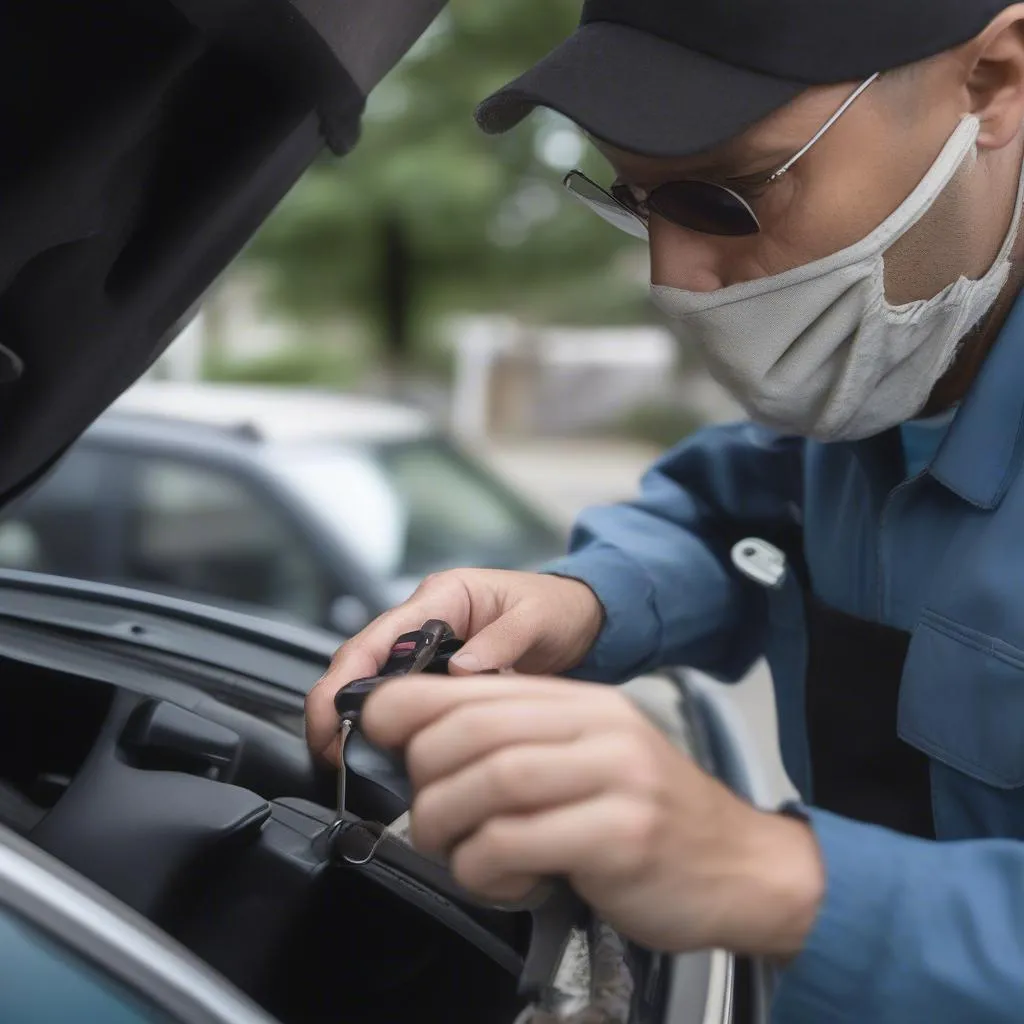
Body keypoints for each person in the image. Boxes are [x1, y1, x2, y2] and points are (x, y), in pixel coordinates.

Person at [307, 1, 1024, 1019]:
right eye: (635, 200)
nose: (673, 278)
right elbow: (740, 510)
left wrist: (775, 877)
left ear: (991, 80)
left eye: (728, 197)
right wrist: (585, 600)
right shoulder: (889, 378)